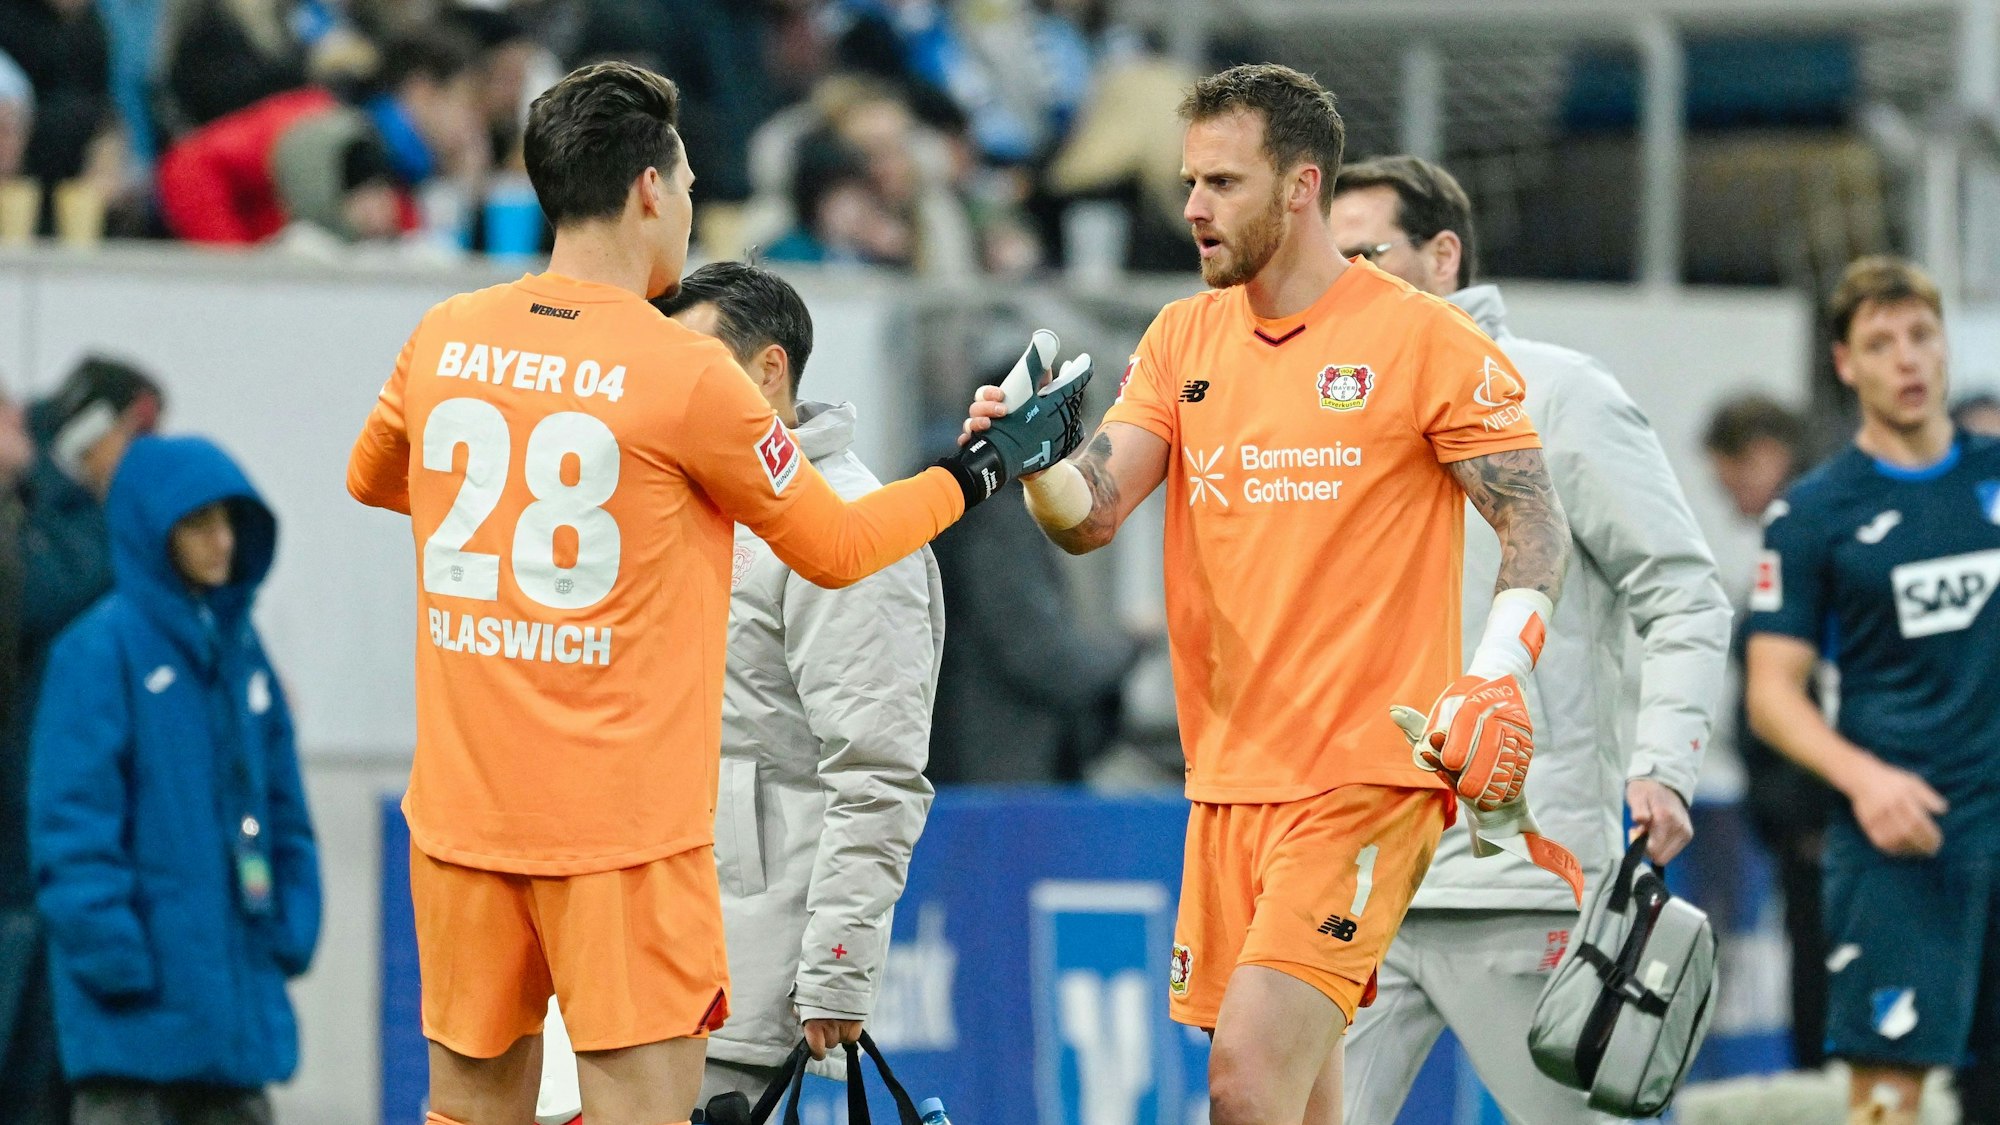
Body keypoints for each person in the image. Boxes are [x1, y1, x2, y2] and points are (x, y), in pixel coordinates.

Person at [346, 60, 1086, 1125]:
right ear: (648, 189)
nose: (689, 207)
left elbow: (374, 480)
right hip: (619, 837)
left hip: (465, 816)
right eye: (688, 183)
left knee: (465, 1114)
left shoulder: (446, 333)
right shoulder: (683, 373)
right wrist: (982, 469)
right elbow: (835, 544)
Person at [962, 63, 1574, 1124]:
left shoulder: (1423, 340)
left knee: (1242, 1079)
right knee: (1297, 1097)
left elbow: (1534, 523)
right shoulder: (1179, 339)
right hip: (1229, 777)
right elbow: (1092, 514)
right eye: (1190, 181)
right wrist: (1032, 462)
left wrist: (1492, 677)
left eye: (1222, 184)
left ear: (1300, 188)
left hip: (1365, 773)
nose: (1191, 207)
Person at [1324, 154, 1731, 1121]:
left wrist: (1665, 763)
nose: (1344, 283)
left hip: (1523, 880)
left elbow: (1681, 590)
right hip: (1352, 878)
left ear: (1443, 256)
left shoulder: (1559, 396)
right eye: (1327, 263)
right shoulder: (1326, 422)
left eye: (1366, 254)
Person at [531, 261, 944, 1123]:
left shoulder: (858, 530)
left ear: (769, 371)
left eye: (694, 364)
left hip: (748, 984)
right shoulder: (674, 508)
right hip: (623, 958)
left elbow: (875, 767)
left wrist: (836, 963)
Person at [1746, 256, 2000, 1125]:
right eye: (1882, 343)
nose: (1908, 360)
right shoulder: (1815, 514)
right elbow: (1772, 691)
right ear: (1847, 364)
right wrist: (1864, 779)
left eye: (1922, 336)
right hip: (1904, 839)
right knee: (1887, 1101)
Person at [30, 433, 320, 1125]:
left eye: (229, 521)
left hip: (235, 1030)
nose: (221, 541)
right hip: (133, 1039)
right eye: (198, 522)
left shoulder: (243, 654)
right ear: (151, 530)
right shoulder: (98, 651)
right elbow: (71, 827)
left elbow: (284, 809)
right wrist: (119, 962)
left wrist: (291, 923)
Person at [1703, 393, 1835, 1070]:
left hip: (1831, 834)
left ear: (1764, 455)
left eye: (1733, 483)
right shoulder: (1796, 537)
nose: (1732, 505)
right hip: (1812, 828)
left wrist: (1816, 811)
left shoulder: (1821, 534)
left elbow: (1825, 693)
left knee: (1831, 1016)